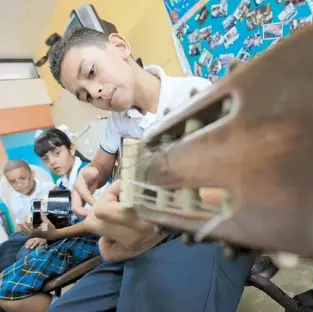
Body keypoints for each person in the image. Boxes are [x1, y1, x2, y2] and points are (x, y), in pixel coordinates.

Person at [44, 28, 254, 312]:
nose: (96, 93)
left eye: (91, 72)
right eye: (85, 96)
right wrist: (91, 173)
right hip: (144, 235)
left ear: (119, 46)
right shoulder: (118, 121)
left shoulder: (196, 94)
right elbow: (101, 164)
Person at [0, 127, 111, 312]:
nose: (52, 162)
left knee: (8, 287)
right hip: (69, 238)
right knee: (7, 270)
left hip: (93, 238)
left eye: (56, 153)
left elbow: (99, 222)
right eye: (45, 159)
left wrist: (54, 233)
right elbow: (56, 220)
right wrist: (41, 231)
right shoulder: (61, 185)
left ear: (72, 149)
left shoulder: (89, 175)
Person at [0, 160, 54, 272]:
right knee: (4, 251)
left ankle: (19, 282)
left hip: (48, 229)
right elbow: (19, 224)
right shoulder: (15, 197)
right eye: (13, 182)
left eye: (23, 178)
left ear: (32, 174)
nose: (19, 185)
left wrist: (44, 235)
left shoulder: (50, 190)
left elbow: (60, 219)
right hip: (26, 232)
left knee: (24, 255)